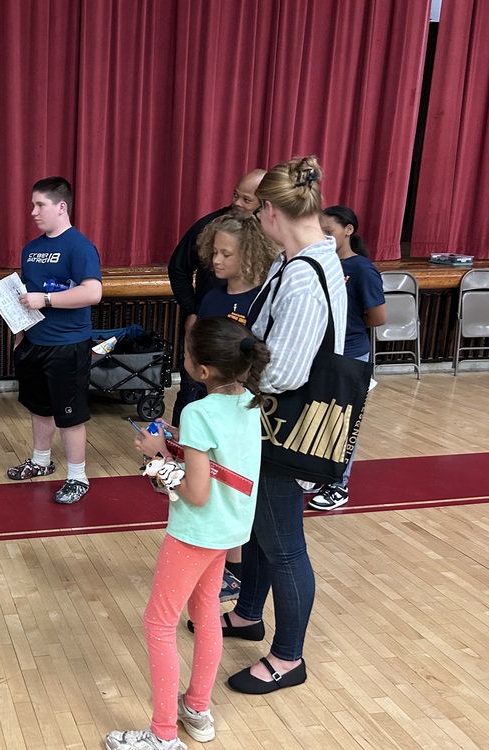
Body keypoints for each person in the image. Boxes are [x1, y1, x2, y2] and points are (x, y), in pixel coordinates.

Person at [214, 155, 348, 695]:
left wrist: (232, 375)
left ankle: (289, 658)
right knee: (260, 531)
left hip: (281, 428)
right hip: (273, 422)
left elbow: (288, 370)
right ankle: (248, 612)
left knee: (284, 544)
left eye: (255, 210)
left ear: (270, 211)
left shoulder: (302, 277)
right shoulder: (305, 261)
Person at [105, 317, 269, 750]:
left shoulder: (198, 411)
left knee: (158, 623)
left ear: (201, 370)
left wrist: (155, 458)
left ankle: (162, 735)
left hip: (195, 533)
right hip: (228, 531)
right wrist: (178, 440)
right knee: (206, 616)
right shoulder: (250, 401)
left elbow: (194, 491)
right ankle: (197, 708)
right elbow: (220, 461)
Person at [192, 214, 280, 601]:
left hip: (242, 403)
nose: (217, 260)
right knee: (205, 477)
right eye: (214, 252)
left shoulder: (262, 299)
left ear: (248, 256)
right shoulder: (211, 295)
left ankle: (235, 568)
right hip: (208, 395)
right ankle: (213, 560)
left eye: (226, 254)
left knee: (232, 484)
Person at [8, 176, 103, 505]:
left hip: (68, 345)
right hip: (34, 343)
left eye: (40, 205)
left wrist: (45, 300)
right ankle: (41, 460)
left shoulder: (79, 246)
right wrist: (20, 336)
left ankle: (78, 476)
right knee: (39, 408)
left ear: (61, 207)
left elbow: (93, 292)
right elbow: (24, 298)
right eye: (33, 204)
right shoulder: (31, 249)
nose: (32, 211)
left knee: (70, 415)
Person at [168, 169, 266, 426]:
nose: (237, 203)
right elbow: (178, 269)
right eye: (236, 195)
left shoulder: (261, 299)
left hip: (239, 387)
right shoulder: (212, 296)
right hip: (204, 356)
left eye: (247, 199)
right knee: (191, 398)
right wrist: (191, 310)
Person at [310, 206, 385, 510]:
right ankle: (319, 473)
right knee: (320, 416)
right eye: (321, 232)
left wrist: (348, 328)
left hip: (351, 353)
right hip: (322, 352)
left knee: (344, 420)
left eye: (330, 231)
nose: (325, 237)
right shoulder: (321, 264)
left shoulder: (362, 269)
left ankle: (339, 484)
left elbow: (378, 317)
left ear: (348, 230)